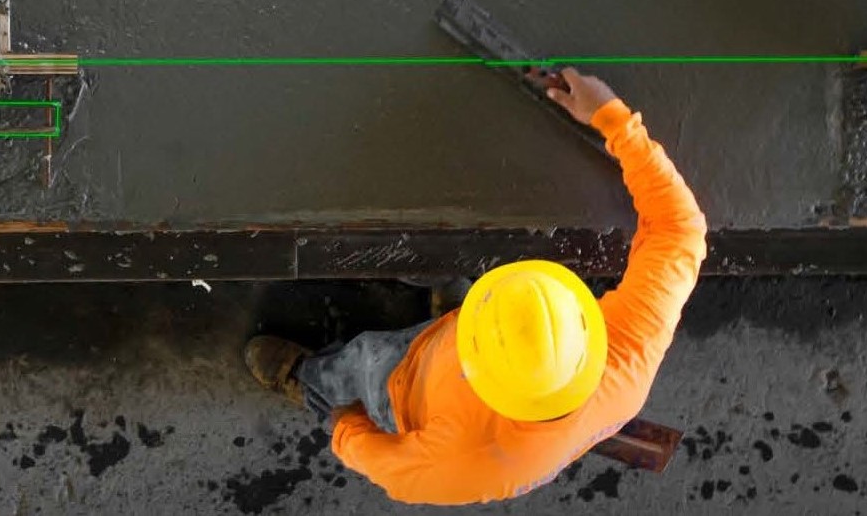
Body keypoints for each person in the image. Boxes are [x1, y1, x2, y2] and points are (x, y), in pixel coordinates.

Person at [245, 68, 706, 504]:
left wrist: (344, 424)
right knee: (440, 320)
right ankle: (447, 309)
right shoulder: (628, 351)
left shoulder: (468, 462)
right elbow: (679, 230)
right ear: (582, 327)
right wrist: (613, 119)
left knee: (362, 363)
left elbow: (385, 468)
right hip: (454, 361)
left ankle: (307, 381)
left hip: (404, 389)